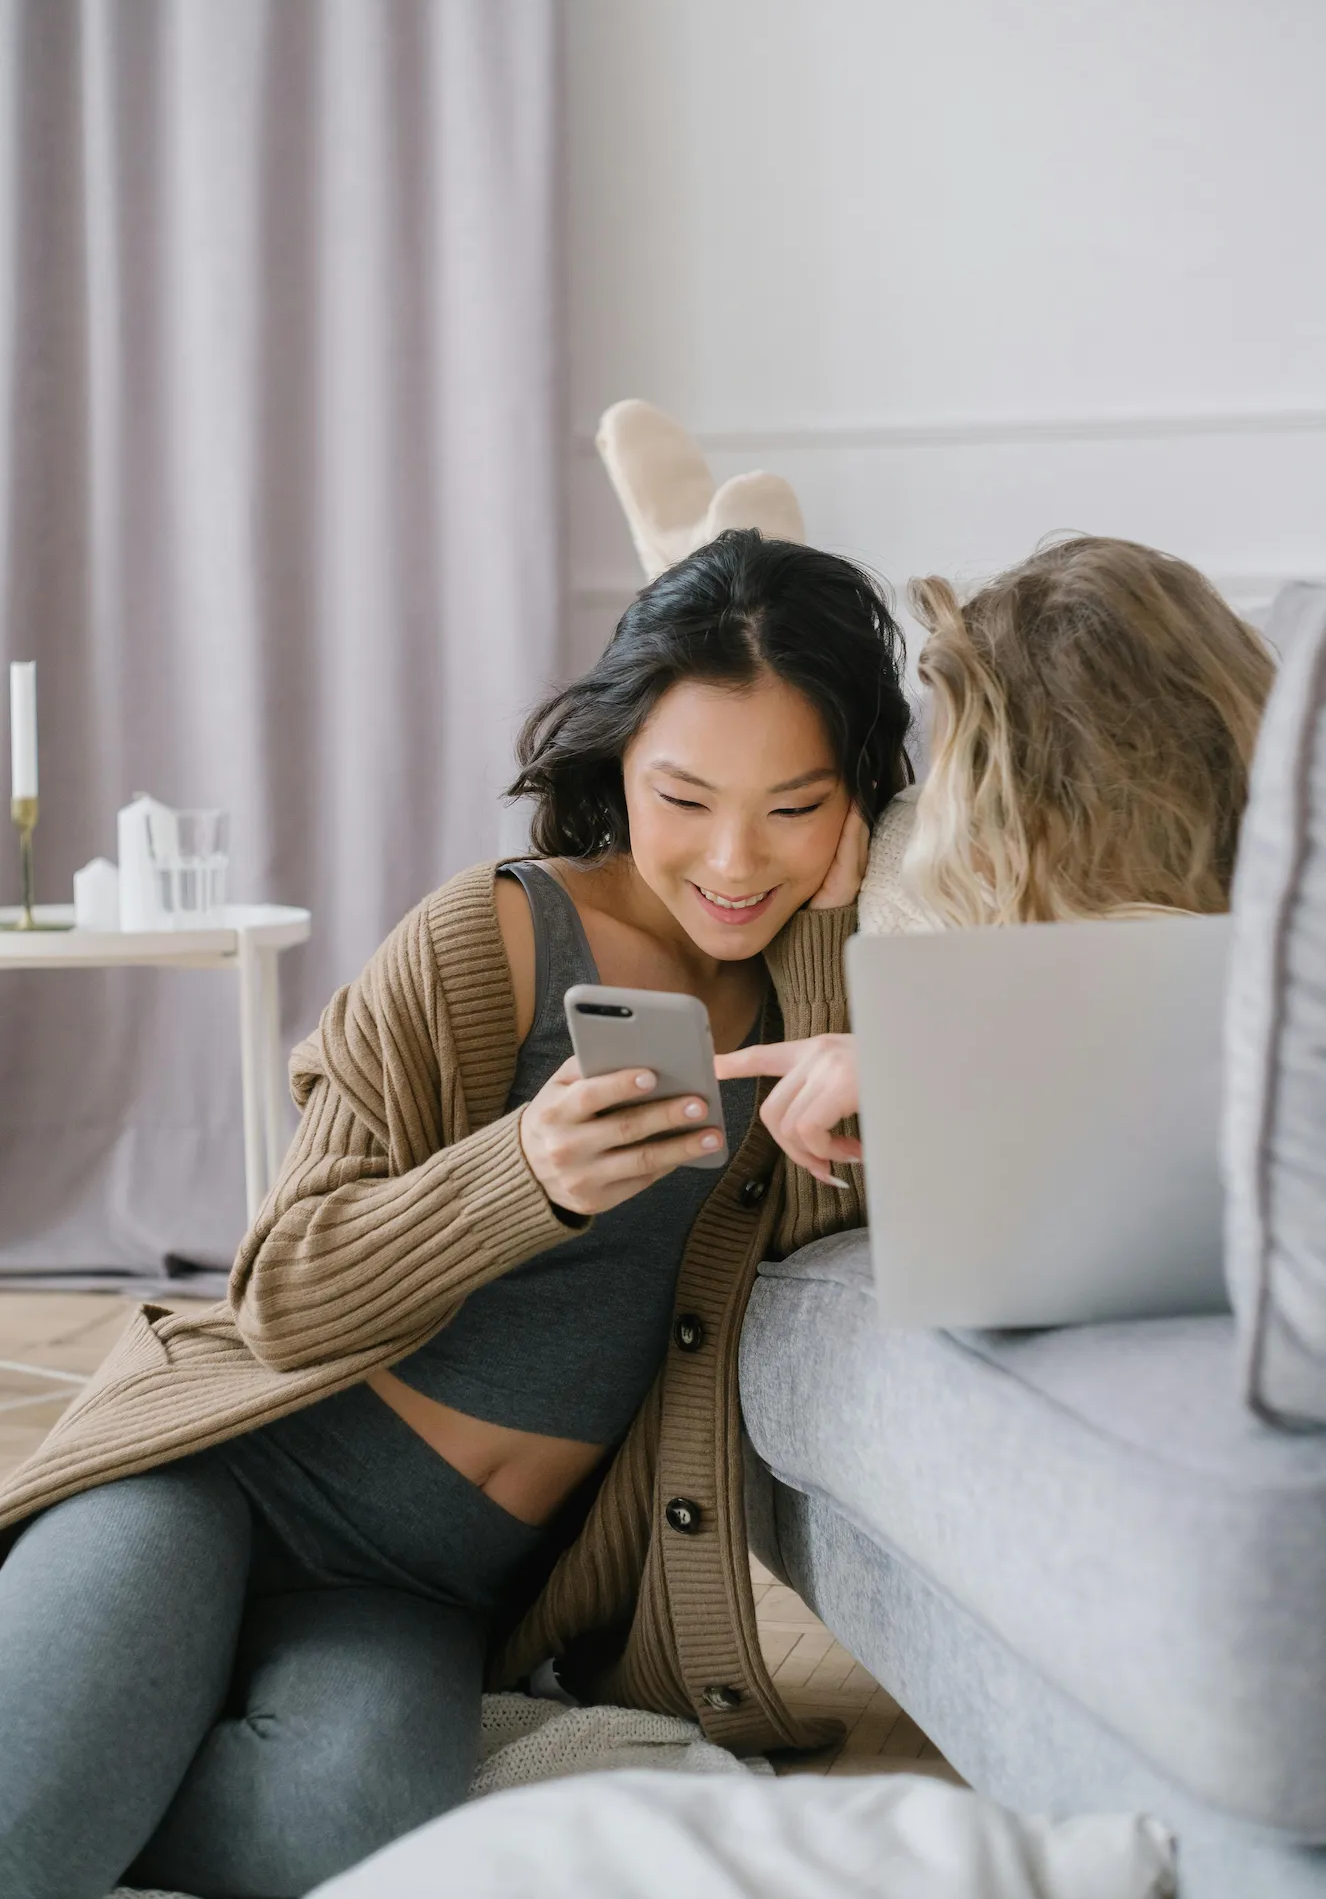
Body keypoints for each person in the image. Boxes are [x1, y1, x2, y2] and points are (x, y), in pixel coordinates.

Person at [0, 529, 911, 1899]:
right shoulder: (484, 941)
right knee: (32, 1842)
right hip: (233, 1475)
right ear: (613, 767)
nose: (734, 859)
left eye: (794, 806)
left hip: (416, 1594)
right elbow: (284, 1291)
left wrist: (876, 1010)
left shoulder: (824, 985)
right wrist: (518, 1180)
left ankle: (107, 1719)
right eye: (682, 798)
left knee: (334, 1826)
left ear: (855, 808)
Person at [717, 535, 1274, 1187]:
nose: (964, 836)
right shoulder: (924, 879)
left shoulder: (1279, 922)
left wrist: (937, 1070)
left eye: (982, 802)